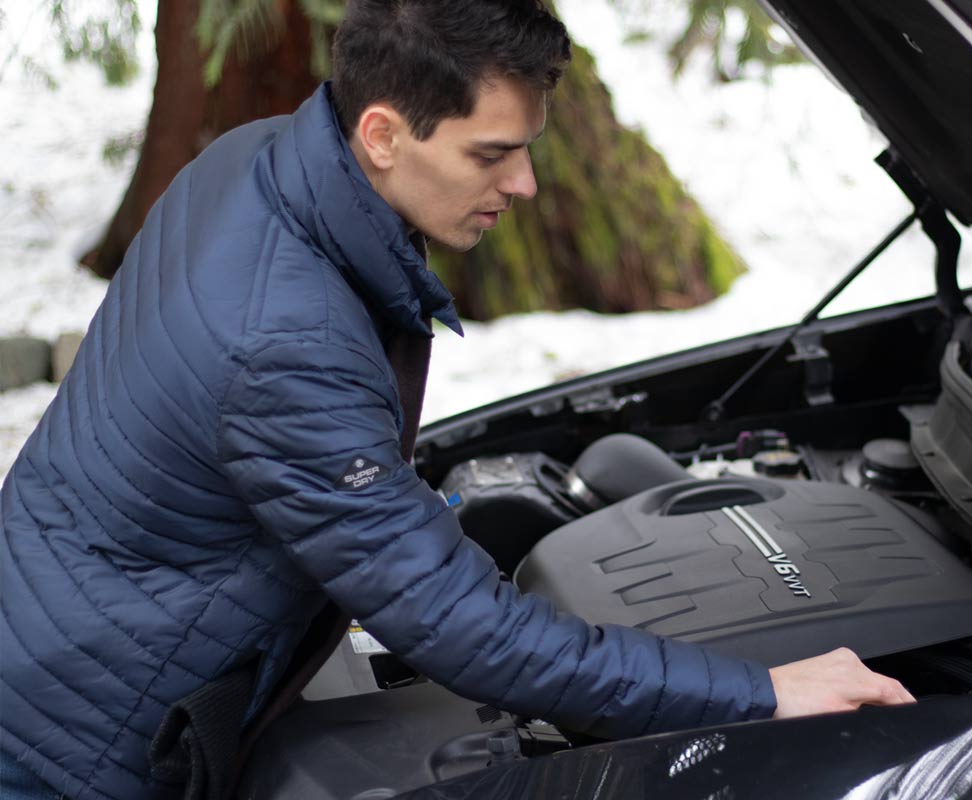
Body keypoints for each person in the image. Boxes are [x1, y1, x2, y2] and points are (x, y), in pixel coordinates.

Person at [0, 1, 913, 798]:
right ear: (384, 134)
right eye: (494, 153)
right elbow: (463, 628)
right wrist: (763, 692)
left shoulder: (256, 159)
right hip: (75, 737)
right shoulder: (288, 344)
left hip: (54, 617)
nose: (523, 184)